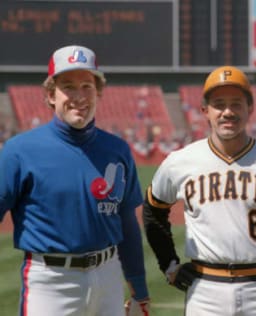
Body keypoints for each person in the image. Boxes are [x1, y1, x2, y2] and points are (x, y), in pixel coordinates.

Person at [142, 65, 256, 316]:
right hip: (204, 290)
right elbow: (153, 211)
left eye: (237, 104)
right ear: (205, 111)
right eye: (219, 104)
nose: (228, 112)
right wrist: (170, 265)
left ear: (250, 109)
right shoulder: (180, 161)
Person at [0, 45, 150, 315]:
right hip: (51, 280)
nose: (79, 96)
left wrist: (138, 286)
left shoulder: (117, 149)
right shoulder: (19, 151)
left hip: (109, 275)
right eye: (68, 86)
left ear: (98, 93)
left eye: (87, 86)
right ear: (50, 95)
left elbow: (126, 222)